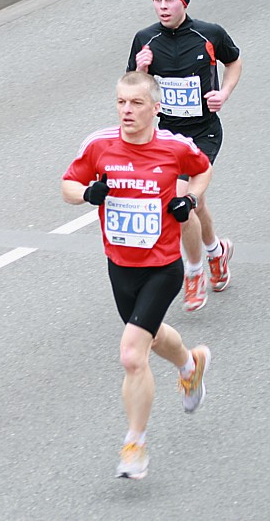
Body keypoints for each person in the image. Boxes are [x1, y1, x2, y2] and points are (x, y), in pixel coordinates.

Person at [61, 71, 213, 480]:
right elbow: (68, 184)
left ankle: (135, 446)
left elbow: (202, 170)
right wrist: (87, 193)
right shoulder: (99, 145)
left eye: (136, 103)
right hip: (120, 266)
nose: (126, 110)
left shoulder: (175, 147)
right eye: (121, 102)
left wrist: (189, 199)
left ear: (155, 108)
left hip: (162, 266)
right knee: (153, 334)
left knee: (132, 354)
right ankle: (190, 364)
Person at [127, 0, 242, 313]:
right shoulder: (145, 40)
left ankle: (193, 273)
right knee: (195, 203)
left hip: (205, 133)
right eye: (158, 0)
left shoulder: (209, 34)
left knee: (180, 203)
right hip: (169, 135)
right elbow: (133, 91)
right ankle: (216, 252)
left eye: (170, 0)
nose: (163, 7)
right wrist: (141, 70)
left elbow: (234, 61)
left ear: (184, 3)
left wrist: (224, 93)